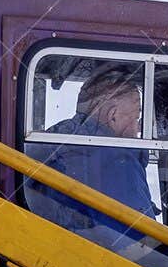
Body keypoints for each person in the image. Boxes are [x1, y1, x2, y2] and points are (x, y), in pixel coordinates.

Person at [27, 64, 160, 250]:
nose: (138, 129)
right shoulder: (118, 160)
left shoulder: (53, 144)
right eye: (137, 119)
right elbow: (141, 245)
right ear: (113, 116)